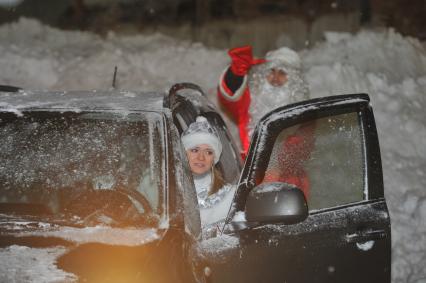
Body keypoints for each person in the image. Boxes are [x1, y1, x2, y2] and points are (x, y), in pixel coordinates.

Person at [217, 45, 310, 156]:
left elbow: (303, 155)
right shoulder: (252, 104)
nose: (275, 78)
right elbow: (231, 98)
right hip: (250, 170)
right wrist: (237, 71)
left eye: (282, 73)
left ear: (294, 82)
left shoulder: (305, 117)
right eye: (271, 71)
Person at [181, 116, 234, 215]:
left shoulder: (230, 196)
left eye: (208, 152)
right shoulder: (165, 189)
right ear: (183, 153)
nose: (201, 158)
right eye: (195, 150)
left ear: (214, 158)